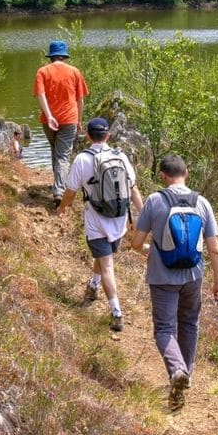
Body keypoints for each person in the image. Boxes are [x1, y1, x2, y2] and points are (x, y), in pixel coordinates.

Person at [130, 154, 218, 411]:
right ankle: (186, 374)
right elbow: (214, 250)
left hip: (162, 277)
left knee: (164, 329)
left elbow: (136, 243)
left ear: (163, 175)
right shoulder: (202, 203)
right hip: (194, 276)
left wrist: (148, 249)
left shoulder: (154, 201)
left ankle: (177, 371)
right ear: (187, 173)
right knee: (189, 324)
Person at [57, 117, 144, 332]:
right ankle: (93, 286)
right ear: (108, 136)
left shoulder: (82, 160)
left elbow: (70, 192)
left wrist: (62, 208)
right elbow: (133, 189)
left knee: (107, 265)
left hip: (96, 221)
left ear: (87, 135)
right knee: (104, 257)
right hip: (119, 220)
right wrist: (142, 214)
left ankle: (116, 312)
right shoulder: (121, 156)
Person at [34, 40, 89, 207]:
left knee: (56, 152)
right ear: (64, 56)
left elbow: (40, 95)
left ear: (50, 57)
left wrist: (49, 115)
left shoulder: (42, 72)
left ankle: (58, 186)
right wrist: (79, 120)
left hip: (48, 120)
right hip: (69, 119)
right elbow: (80, 100)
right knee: (62, 155)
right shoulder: (74, 72)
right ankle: (59, 191)